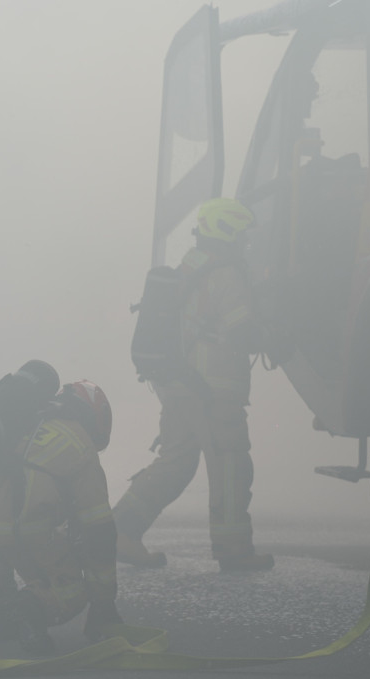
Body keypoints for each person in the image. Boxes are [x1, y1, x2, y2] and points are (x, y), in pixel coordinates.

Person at [113, 198, 275, 572]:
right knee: (231, 467)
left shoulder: (191, 265)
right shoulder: (227, 273)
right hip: (213, 391)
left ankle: (120, 530)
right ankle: (234, 550)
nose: (247, 242)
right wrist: (274, 339)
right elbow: (242, 330)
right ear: (228, 232)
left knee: (175, 463)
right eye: (243, 234)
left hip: (179, 384)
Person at [0, 379, 121, 654]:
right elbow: (99, 531)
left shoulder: (25, 419)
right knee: (71, 592)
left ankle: (0, 616)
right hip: (17, 518)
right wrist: (103, 604)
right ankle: (29, 612)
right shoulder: (79, 442)